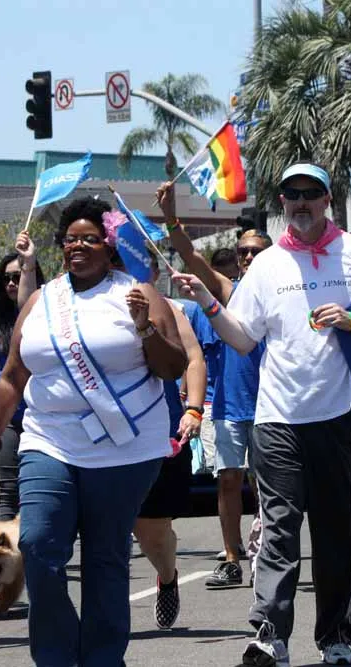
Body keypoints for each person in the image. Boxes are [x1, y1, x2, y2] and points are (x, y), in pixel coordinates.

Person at [174, 162, 351, 667]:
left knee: (337, 533)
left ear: (326, 199)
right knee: (278, 527)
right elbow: (243, 338)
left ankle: (335, 638)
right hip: (276, 418)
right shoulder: (268, 265)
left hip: (340, 416)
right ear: (282, 203)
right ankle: (270, 634)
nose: (301, 202)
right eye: (291, 194)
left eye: (310, 192)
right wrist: (207, 300)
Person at [0, 198, 187, 666]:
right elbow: (12, 375)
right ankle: (56, 656)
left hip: (125, 448)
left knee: (105, 557)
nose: (78, 246)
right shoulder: (41, 300)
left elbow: (173, 367)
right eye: (71, 239)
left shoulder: (138, 293)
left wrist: (145, 329)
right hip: (49, 441)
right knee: (37, 542)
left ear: (109, 246)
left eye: (90, 238)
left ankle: (102, 658)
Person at [157, 185, 271, 587]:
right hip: (229, 406)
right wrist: (170, 217)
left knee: (266, 486)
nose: (249, 257)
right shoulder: (229, 291)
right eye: (243, 252)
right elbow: (191, 257)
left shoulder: (282, 294)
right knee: (228, 480)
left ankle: (265, 553)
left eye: (256, 252)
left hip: (272, 407)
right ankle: (232, 557)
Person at [132, 249, 207, 629]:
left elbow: (193, 359)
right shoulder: (78, 307)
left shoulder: (172, 310)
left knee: (152, 532)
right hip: (95, 440)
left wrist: (193, 409)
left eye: (137, 263)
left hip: (158, 433)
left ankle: (167, 575)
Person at [0, 239, 45, 523]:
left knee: (38, 492)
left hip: (43, 416)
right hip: (7, 417)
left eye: (16, 277)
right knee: (8, 490)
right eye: (5, 278)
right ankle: (7, 545)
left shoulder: (46, 315)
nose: (10, 284)